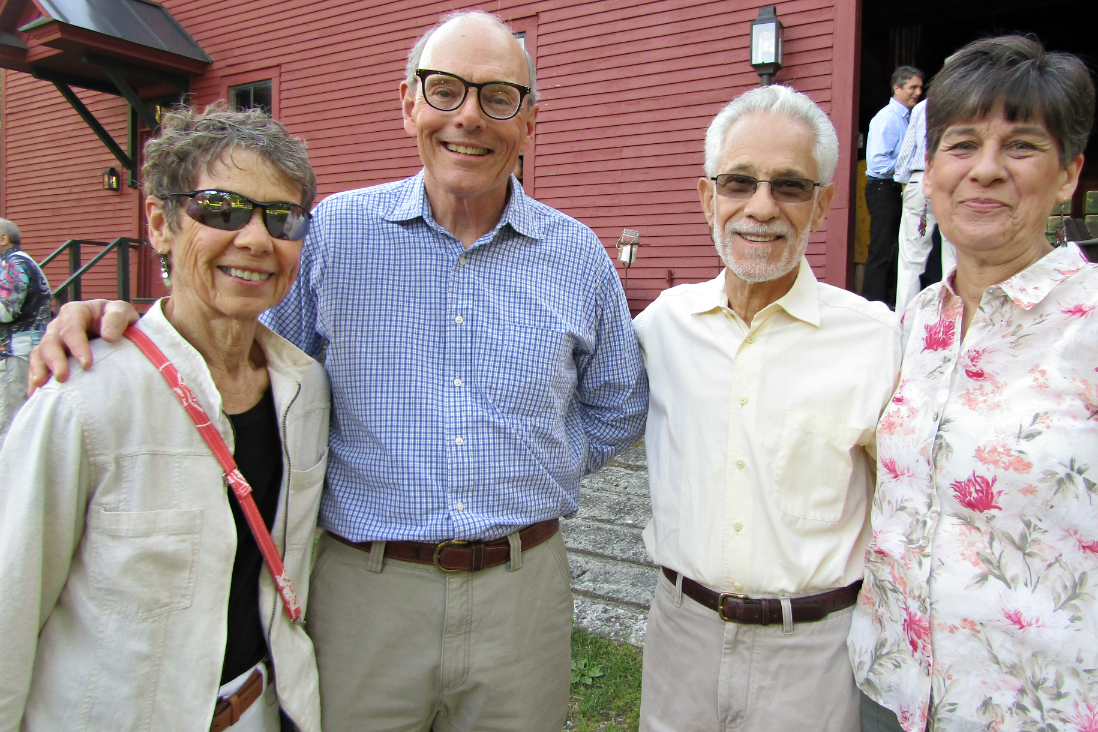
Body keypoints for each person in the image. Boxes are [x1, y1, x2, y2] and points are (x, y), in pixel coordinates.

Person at [29, 10, 648, 731]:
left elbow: (618, 404)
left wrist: (540, 464)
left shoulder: (576, 257)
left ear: (530, 120)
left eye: (498, 97)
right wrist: (125, 320)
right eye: (444, 90)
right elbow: (241, 347)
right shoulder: (333, 234)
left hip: (523, 592)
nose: (469, 118)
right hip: (365, 590)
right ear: (408, 102)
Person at [848, 35, 1098, 731]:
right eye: (962, 144)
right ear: (930, 168)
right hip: (895, 690)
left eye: (1021, 147)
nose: (985, 170)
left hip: (1066, 706)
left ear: (1070, 174)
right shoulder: (913, 325)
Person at [0, 105, 329, 731]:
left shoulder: (304, 390)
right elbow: (8, 604)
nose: (256, 238)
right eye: (222, 209)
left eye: (281, 218)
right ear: (160, 222)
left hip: (264, 709)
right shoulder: (81, 397)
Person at [635, 85, 901, 732]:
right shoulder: (661, 328)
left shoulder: (876, 339)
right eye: (738, 183)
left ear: (824, 202)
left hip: (811, 655)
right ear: (707, 198)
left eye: (789, 185)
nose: (760, 207)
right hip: (680, 638)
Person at [862, 65, 923, 308]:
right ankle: (872, 305)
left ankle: (892, 302)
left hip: (896, 188)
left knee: (902, 249)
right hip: (882, 188)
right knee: (881, 249)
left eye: (920, 87)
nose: (918, 92)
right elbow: (877, 163)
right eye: (913, 87)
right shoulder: (887, 118)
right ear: (897, 88)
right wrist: (909, 162)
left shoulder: (909, 118)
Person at [894, 99, 956, 311]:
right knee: (952, 251)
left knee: (911, 257)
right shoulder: (968, 102)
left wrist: (905, 185)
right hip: (950, 178)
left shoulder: (922, 107)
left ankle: (903, 320)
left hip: (920, 178)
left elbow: (907, 151)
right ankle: (951, 315)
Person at [0, 217, 50, 440]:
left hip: (16, 352)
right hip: (26, 348)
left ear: (3, 238)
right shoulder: (21, 261)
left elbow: (5, 311)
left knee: (11, 422)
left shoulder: (13, 264)